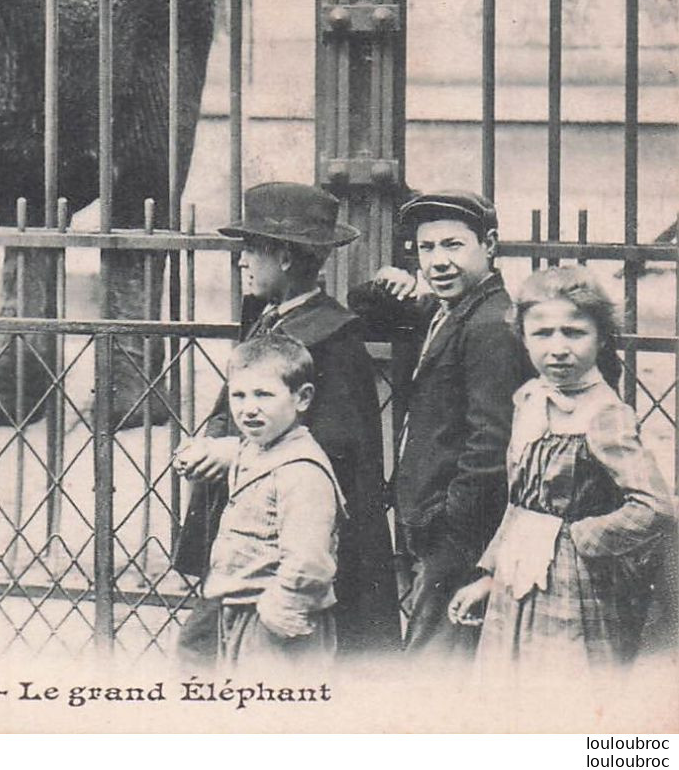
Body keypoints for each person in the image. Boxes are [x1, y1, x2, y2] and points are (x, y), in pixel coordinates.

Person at [174, 182, 399, 661]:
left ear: (286, 257)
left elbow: (336, 448)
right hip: (249, 539)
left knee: (217, 653)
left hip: (287, 544)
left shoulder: (332, 339)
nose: (241, 261)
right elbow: (228, 402)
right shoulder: (267, 318)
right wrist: (210, 438)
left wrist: (231, 451)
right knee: (206, 648)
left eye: (251, 249)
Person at [447, 265, 673, 668]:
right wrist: (489, 574)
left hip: (576, 589)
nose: (558, 348)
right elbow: (520, 503)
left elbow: (655, 507)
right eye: (542, 333)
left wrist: (580, 537)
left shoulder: (605, 415)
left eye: (574, 332)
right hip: (515, 582)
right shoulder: (530, 401)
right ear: (523, 338)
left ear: (601, 338)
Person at [350, 190, 531, 657]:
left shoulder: (490, 323)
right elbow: (362, 310)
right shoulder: (444, 311)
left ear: (489, 245)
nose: (438, 262)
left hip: (458, 534)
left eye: (453, 246)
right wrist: (387, 283)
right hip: (432, 523)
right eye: (425, 249)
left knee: (434, 664)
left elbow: (491, 443)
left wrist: (448, 523)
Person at [202, 334, 344, 667]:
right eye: (238, 396)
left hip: (278, 618)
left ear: (302, 398)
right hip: (242, 608)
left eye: (264, 395)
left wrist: (279, 609)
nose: (248, 408)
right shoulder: (259, 449)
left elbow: (309, 559)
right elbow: (239, 452)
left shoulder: (301, 471)